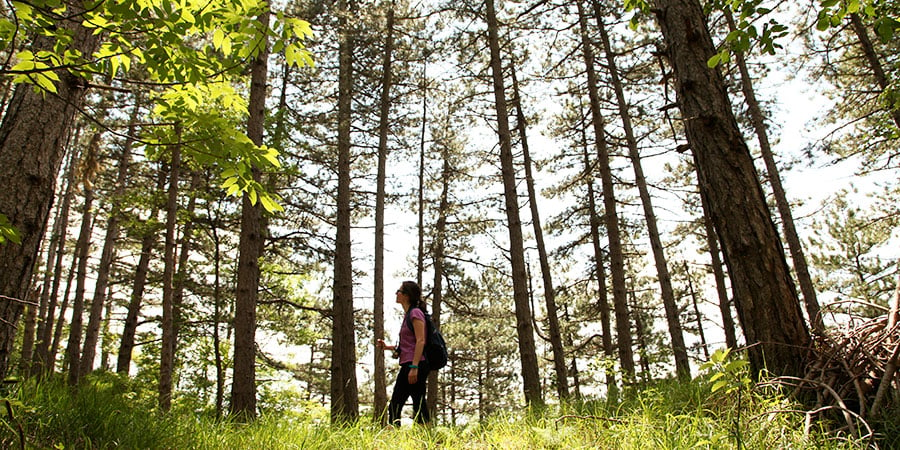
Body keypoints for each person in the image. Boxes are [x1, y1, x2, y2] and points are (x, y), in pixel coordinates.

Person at [376, 280, 431, 426]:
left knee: (399, 404)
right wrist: (387, 347)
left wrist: (414, 367)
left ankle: (422, 438)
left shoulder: (415, 313)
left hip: (415, 365)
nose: (396, 293)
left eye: (399, 291)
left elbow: (421, 341)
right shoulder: (408, 315)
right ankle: (425, 436)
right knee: (415, 402)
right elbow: (408, 345)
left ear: (406, 295)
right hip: (410, 364)